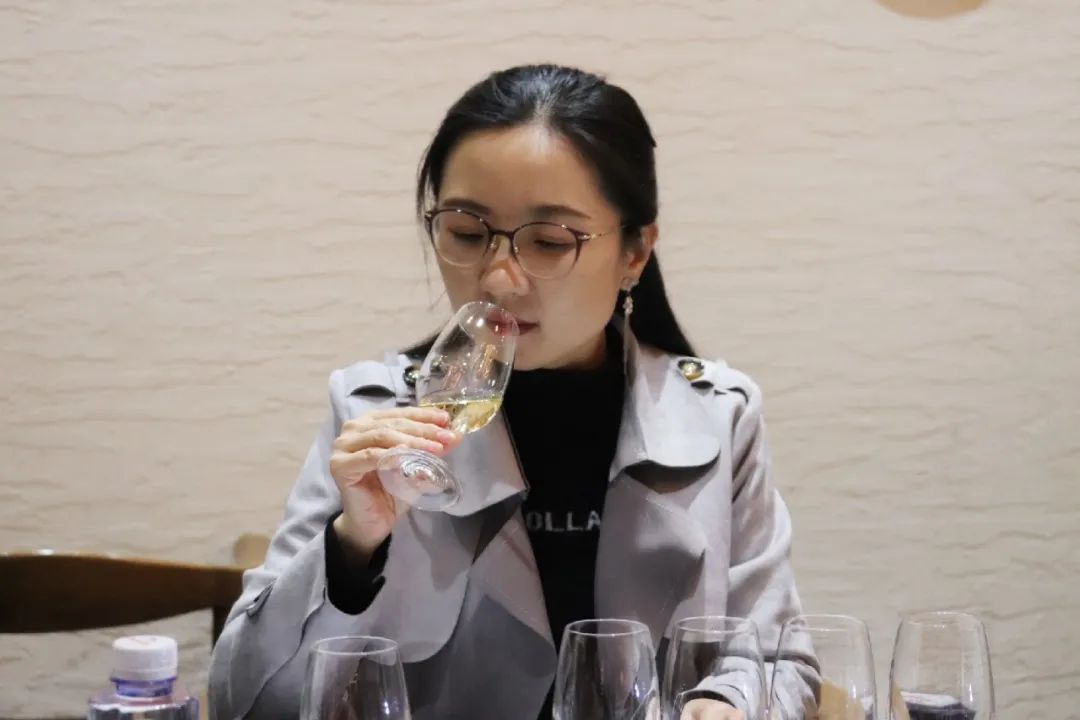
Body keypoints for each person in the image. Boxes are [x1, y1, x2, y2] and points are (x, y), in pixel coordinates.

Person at [208, 63, 814, 720]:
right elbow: (244, 700)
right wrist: (353, 548)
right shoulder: (374, 412)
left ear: (636, 252)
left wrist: (727, 703)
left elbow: (778, 662)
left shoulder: (717, 416)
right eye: (466, 233)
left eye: (549, 242)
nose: (497, 279)